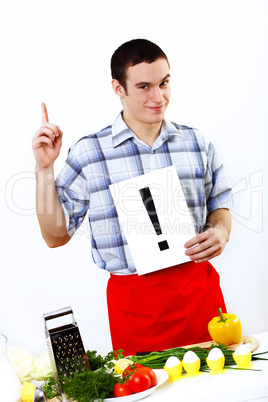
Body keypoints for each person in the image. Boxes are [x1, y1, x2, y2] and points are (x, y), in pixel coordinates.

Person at [32, 39, 232, 356]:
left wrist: (220, 231)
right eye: (144, 86)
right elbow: (55, 237)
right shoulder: (90, 153)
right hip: (136, 308)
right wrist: (44, 169)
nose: (159, 96)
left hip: (199, 296)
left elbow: (219, 205)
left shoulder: (196, 142)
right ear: (118, 88)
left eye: (164, 82)